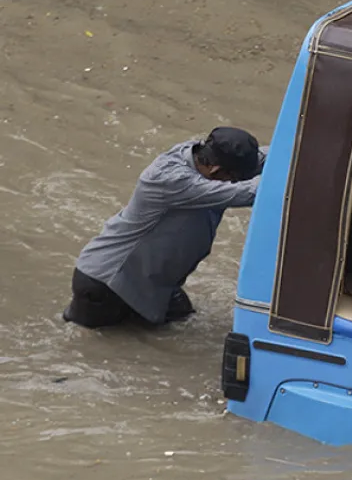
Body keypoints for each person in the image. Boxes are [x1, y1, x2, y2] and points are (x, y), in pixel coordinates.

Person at [64, 127, 266, 329]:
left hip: (154, 284)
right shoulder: (172, 179)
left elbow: (267, 158)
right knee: (94, 347)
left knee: (182, 329)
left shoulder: (206, 159)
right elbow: (251, 193)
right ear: (216, 171)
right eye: (235, 178)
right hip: (108, 284)